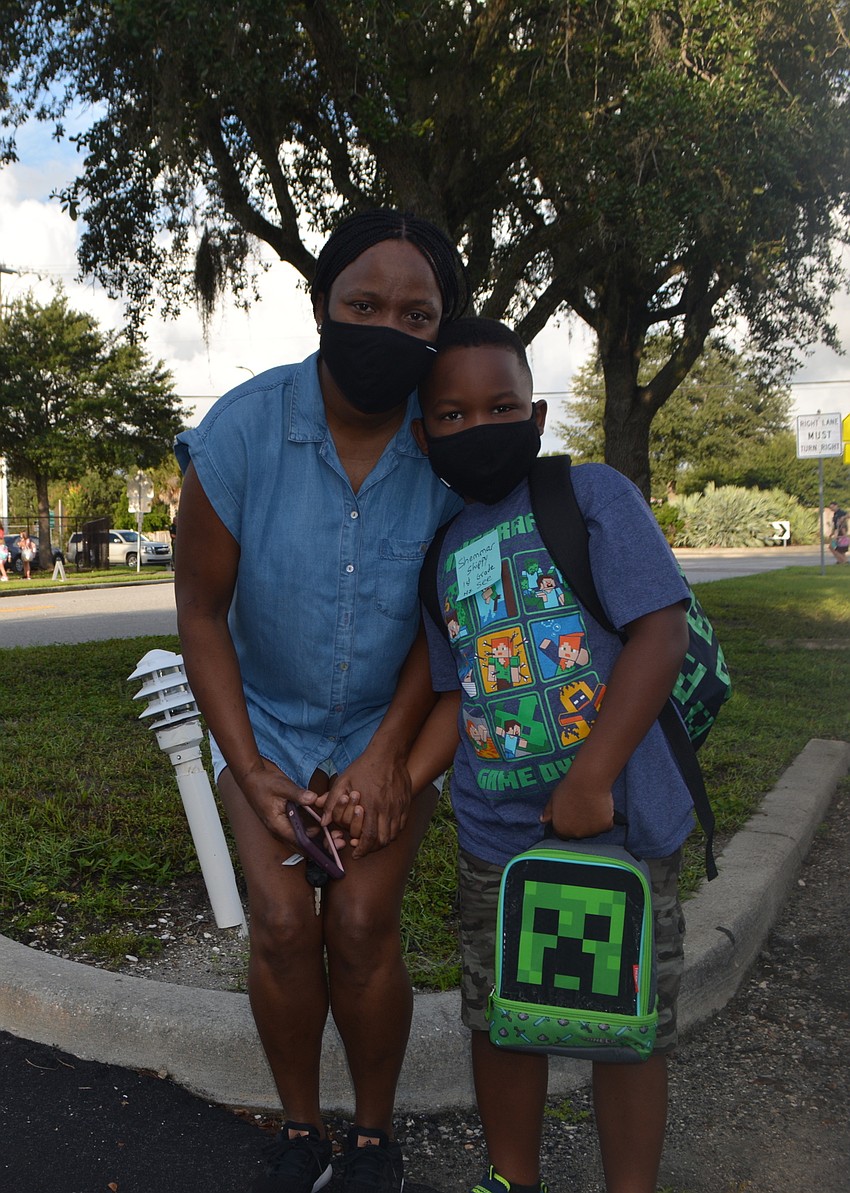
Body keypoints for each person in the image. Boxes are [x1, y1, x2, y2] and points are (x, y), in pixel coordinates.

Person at [173, 209, 468, 1193]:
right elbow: (202, 610)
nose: (388, 325)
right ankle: (300, 1128)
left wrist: (389, 757)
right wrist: (249, 764)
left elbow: (446, 623)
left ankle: (374, 1134)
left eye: (417, 313)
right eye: (365, 303)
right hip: (266, 722)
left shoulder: (447, 447)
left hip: (384, 728)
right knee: (284, 920)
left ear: (441, 329)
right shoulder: (241, 432)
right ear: (323, 305)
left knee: (359, 924)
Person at [410, 317, 695, 1193]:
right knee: (501, 1019)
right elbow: (456, 697)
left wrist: (592, 774)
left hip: (620, 828)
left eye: (499, 406)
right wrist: (393, 781)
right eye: (451, 416)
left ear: (534, 417)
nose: (476, 427)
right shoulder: (443, 554)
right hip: (498, 842)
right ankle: (511, 1178)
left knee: (626, 1022)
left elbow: (661, 628)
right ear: (425, 437)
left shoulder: (594, 496)